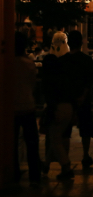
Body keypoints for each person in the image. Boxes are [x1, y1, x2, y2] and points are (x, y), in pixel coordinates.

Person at [59, 30, 93, 170]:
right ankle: (85, 155)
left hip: (67, 99)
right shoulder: (86, 60)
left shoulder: (62, 61)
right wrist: (83, 96)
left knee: (65, 131)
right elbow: (89, 81)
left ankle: (66, 159)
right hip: (83, 98)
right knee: (85, 130)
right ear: (81, 43)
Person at [42, 50, 75, 179]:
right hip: (68, 108)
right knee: (55, 138)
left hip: (57, 109)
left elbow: (50, 98)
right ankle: (46, 164)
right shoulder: (63, 77)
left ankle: (66, 166)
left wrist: (51, 112)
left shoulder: (48, 80)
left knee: (55, 140)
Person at [13, 32, 41, 187]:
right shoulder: (29, 63)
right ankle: (34, 174)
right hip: (28, 105)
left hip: (11, 106)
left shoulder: (6, 63)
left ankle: (14, 170)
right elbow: (33, 84)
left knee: (12, 141)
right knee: (32, 142)